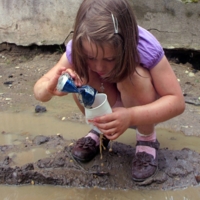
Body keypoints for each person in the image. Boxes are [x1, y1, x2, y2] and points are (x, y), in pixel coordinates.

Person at [34, 0, 185, 182]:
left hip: (140, 107)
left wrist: (131, 116)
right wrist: (50, 88)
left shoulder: (144, 47)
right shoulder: (80, 47)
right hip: (108, 104)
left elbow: (177, 102)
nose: (99, 66)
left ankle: (146, 139)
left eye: (110, 58)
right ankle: (100, 131)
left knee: (135, 76)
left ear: (126, 43)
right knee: (81, 72)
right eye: (91, 57)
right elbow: (39, 90)